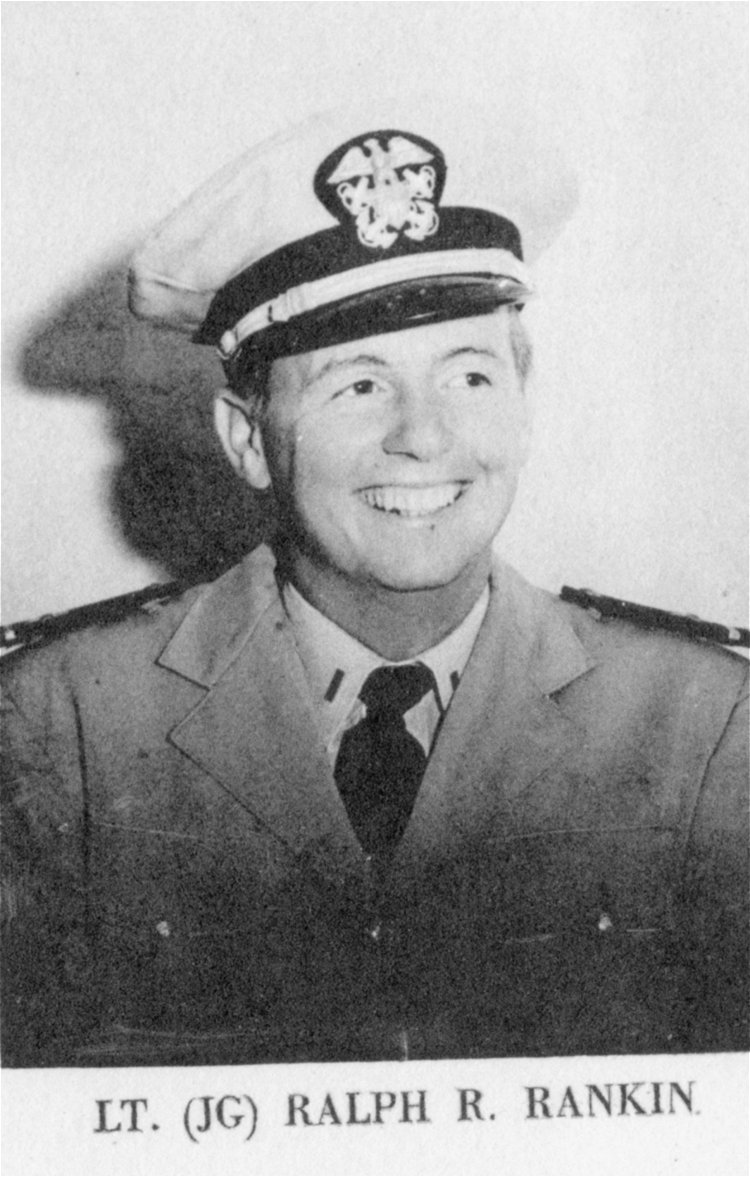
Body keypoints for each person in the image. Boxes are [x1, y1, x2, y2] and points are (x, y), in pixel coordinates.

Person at [1, 114, 747, 1067]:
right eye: (358, 386)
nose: (423, 437)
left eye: (469, 376)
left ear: (524, 403)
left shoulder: (705, 723)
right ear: (246, 438)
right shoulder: (60, 720)